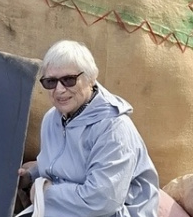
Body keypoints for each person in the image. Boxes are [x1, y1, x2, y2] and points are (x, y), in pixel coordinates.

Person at [17, 40, 159, 217]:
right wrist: (30, 177)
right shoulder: (51, 119)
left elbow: (102, 201)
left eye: (69, 80)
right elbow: (60, 162)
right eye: (51, 82)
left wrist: (46, 193)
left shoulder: (113, 128)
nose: (59, 89)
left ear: (91, 78)